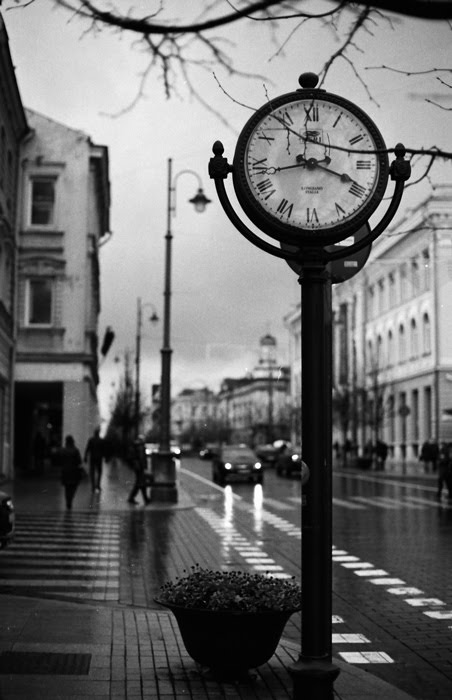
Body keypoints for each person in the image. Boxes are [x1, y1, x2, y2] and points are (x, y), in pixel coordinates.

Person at [60, 435, 84, 510]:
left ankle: (68, 501)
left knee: (67, 488)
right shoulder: (75, 450)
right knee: (73, 486)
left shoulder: (63, 450)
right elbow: (79, 461)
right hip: (74, 471)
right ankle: (70, 499)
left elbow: (60, 461)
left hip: (65, 471)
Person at [127, 436, 150, 505]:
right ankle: (143, 499)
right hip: (139, 467)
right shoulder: (139, 447)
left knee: (141, 483)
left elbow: (142, 457)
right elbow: (140, 457)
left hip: (139, 467)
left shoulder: (139, 446)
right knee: (140, 483)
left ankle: (145, 499)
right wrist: (142, 466)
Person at [84, 427, 104, 492]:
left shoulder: (91, 440)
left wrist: (85, 457)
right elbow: (104, 450)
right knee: (99, 472)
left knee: (92, 472)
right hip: (99, 458)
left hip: (92, 458)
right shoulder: (101, 440)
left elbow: (87, 449)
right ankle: (98, 485)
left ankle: (93, 486)